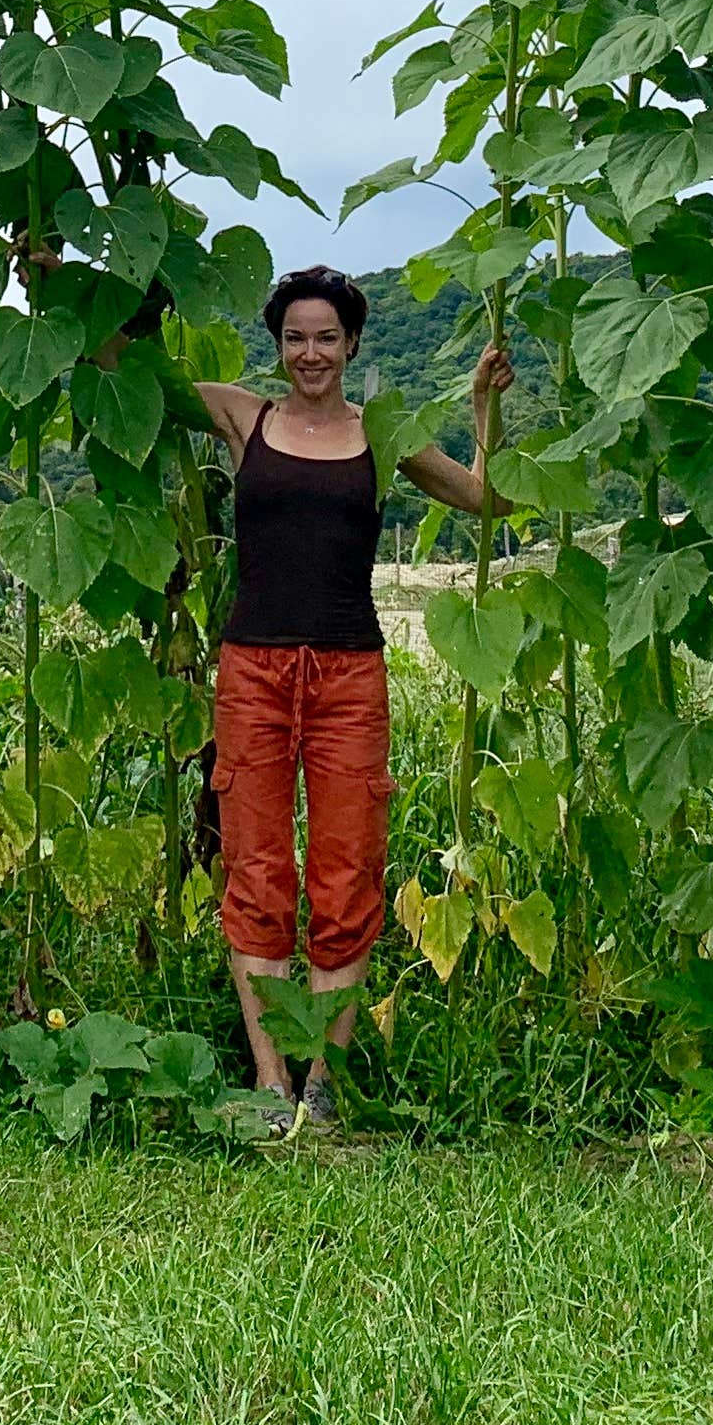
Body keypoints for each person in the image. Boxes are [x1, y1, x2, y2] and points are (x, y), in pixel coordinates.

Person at [182, 264, 514, 1126]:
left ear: (354, 342)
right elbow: (122, 376)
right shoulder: (239, 414)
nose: (310, 352)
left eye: (327, 337)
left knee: (347, 870)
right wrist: (70, 284)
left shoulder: (386, 433)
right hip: (252, 669)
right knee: (256, 870)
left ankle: (323, 1086)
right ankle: (268, 1082)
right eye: (295, 337)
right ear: (277, 343)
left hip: (349, 675)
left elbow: (484, 499)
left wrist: (484, 407)